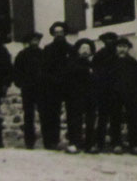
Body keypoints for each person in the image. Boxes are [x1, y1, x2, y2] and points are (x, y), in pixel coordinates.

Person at [39, 21, 71, 149]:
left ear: (65, 33)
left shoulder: (71, 48)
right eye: (56, 32)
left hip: (68, 84)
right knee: (51, 114)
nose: (59, 35)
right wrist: (52, 80)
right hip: (52, 85)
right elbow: (44, 68)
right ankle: (51, 141)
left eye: (61, 32)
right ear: (53, 34)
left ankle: (73, 140)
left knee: (72, 113)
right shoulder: (48, 49)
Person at [109, 37, 137, 154]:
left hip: (131, 95)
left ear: (128, 48)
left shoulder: (133, 63)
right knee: (115, 118)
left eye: (124, 47)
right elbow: (107, 79)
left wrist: (136, 93)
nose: (122, 49)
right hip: (115, 95)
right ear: (116, 48)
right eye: (119, 47)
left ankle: (134, 144)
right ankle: (116, 143)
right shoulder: (111, 62)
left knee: (133, 119)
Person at [65, 38, 97, 154]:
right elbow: (70, 75)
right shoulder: (72, 63)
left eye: (88, 49)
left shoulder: (93, 63)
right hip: (75, 96)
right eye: (82, 48)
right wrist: (86, 71)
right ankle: (74, 143)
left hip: (90, 96)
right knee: (75, 120)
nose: (85, 51)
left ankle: (89, 144)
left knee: (90, 120)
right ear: (78, 50)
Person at [12, 31, 43, 149]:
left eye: (37, 40)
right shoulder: (22, 55)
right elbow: (17, 71)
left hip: (41, 88)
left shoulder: (42, 54)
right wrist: (21, 83)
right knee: (28, 115)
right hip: (28, 88)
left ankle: (48, 140)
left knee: (44, 113)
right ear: (29, 42)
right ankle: (29, 141)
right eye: (33, 40)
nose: (35, 42)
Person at [92, 31, 119, 152]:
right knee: (102, 118)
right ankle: (99, 143)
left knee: (115, 117)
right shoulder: (99, 55)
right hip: (102, 90)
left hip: (115, 91)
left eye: (111, 40)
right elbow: (95, 71)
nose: (109, 42)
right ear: (103, 42)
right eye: (107, 40)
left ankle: (116, 143)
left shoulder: (118, 55)